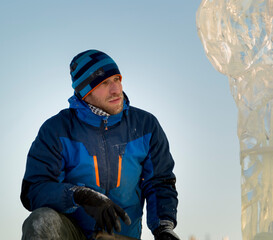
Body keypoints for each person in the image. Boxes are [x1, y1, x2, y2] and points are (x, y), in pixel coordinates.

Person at [20, 49, 180, 240]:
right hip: (74, 234)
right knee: (40, 221)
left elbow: (159, 182)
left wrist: (164, 228)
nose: (116, 90)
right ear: (85, 92)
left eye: (117, 79)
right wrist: (79, 196)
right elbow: (34, 189)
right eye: (104, 83)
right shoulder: (57, 130)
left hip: (121, 237)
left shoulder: (145, 126)